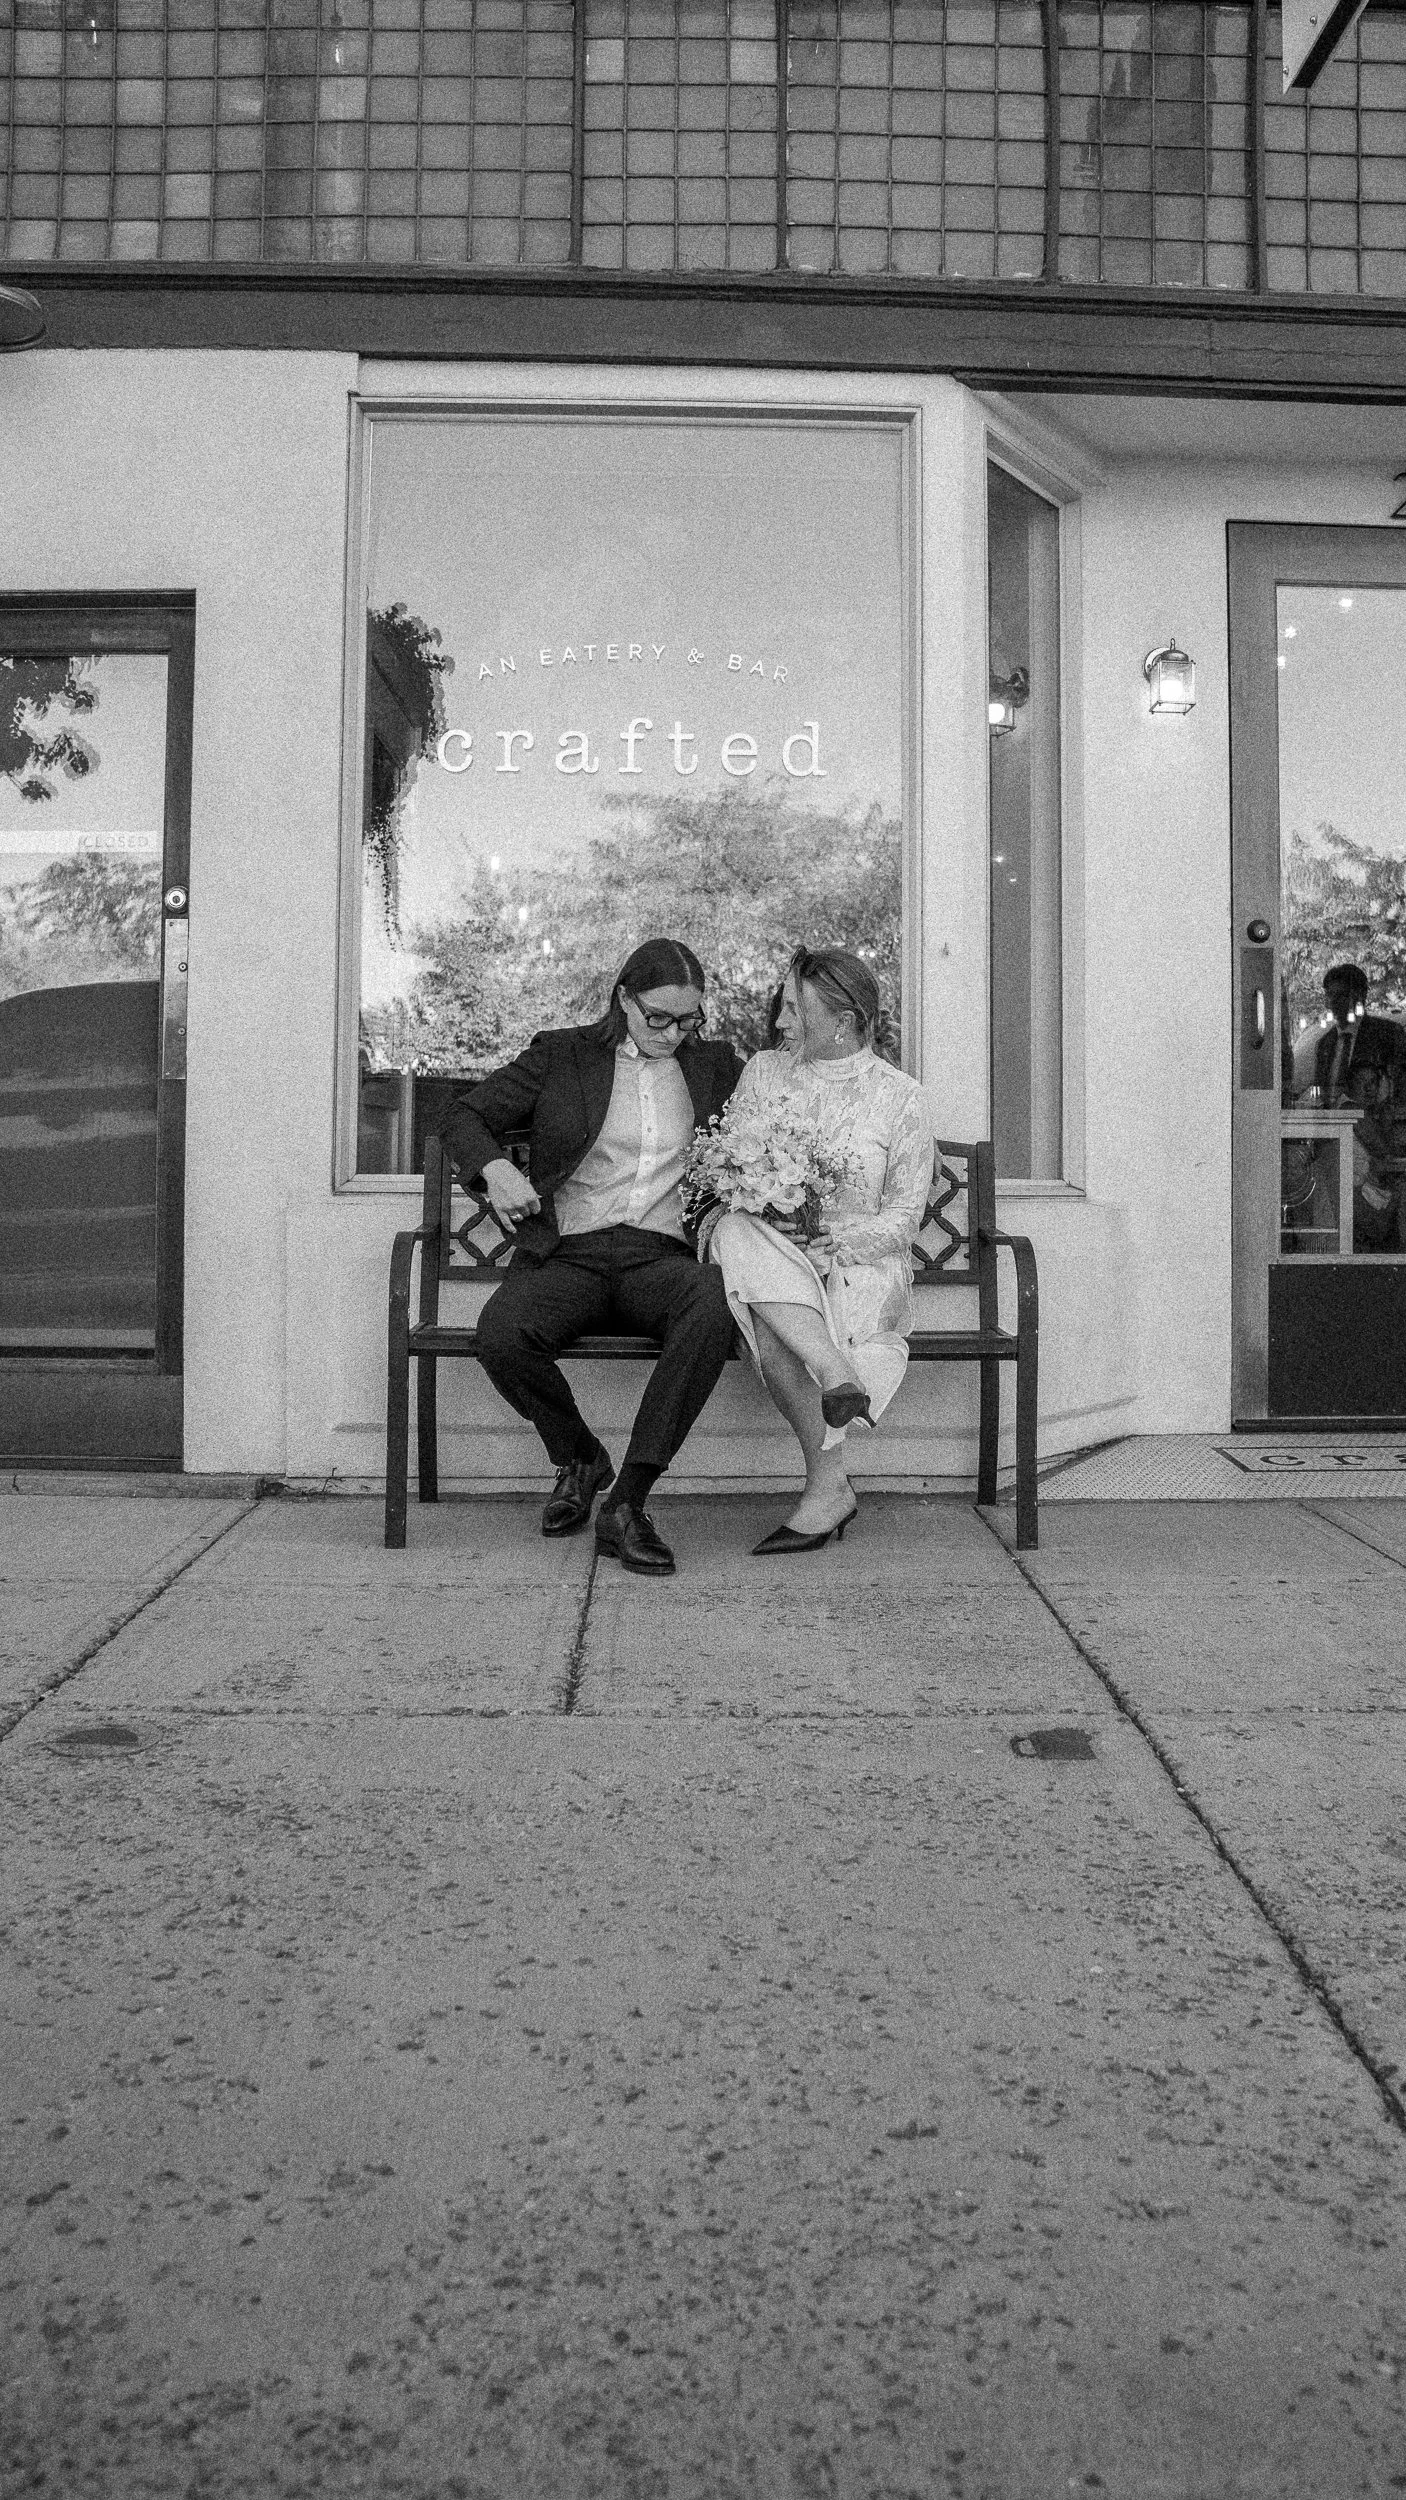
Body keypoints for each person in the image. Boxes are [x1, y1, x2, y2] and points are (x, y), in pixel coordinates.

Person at [444, 937, 742, 1577]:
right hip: (571, 1253)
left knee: (713, 1304)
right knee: (501, 1334)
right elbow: (463, 1117)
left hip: (658, 1255)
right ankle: (579, 1456)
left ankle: (628, 1502)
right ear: (624, 1000)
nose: (671, 1034)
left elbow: (780, 1115)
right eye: (657, 1018)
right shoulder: (563, 1054)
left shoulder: (716, 1067)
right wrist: (496, 1168)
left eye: (688, 1020)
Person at [705, 947, 934, 1555]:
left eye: (793, 1010)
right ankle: (837, 1378)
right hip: (771, 1247)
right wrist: (774, 1209)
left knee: (770, 1318)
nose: (780, 1024)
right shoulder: (764, 1072)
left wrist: (840, 1239)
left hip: (857, 1262)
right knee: (735, 1231)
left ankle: (826, 1490)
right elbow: (737, 1166)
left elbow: (905, 1218)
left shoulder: (900, 1097)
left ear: (845, 1017)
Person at [1294, 962, 1406, 1252]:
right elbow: (1322, 1096)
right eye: (1329, 995)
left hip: (1379, 1143)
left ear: (1360, 996)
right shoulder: (1325, 1043)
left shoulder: (1387, 1035)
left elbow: (1399, 1091)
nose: (1334, 1002)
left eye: (1341, 995)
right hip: (1335, 1144)